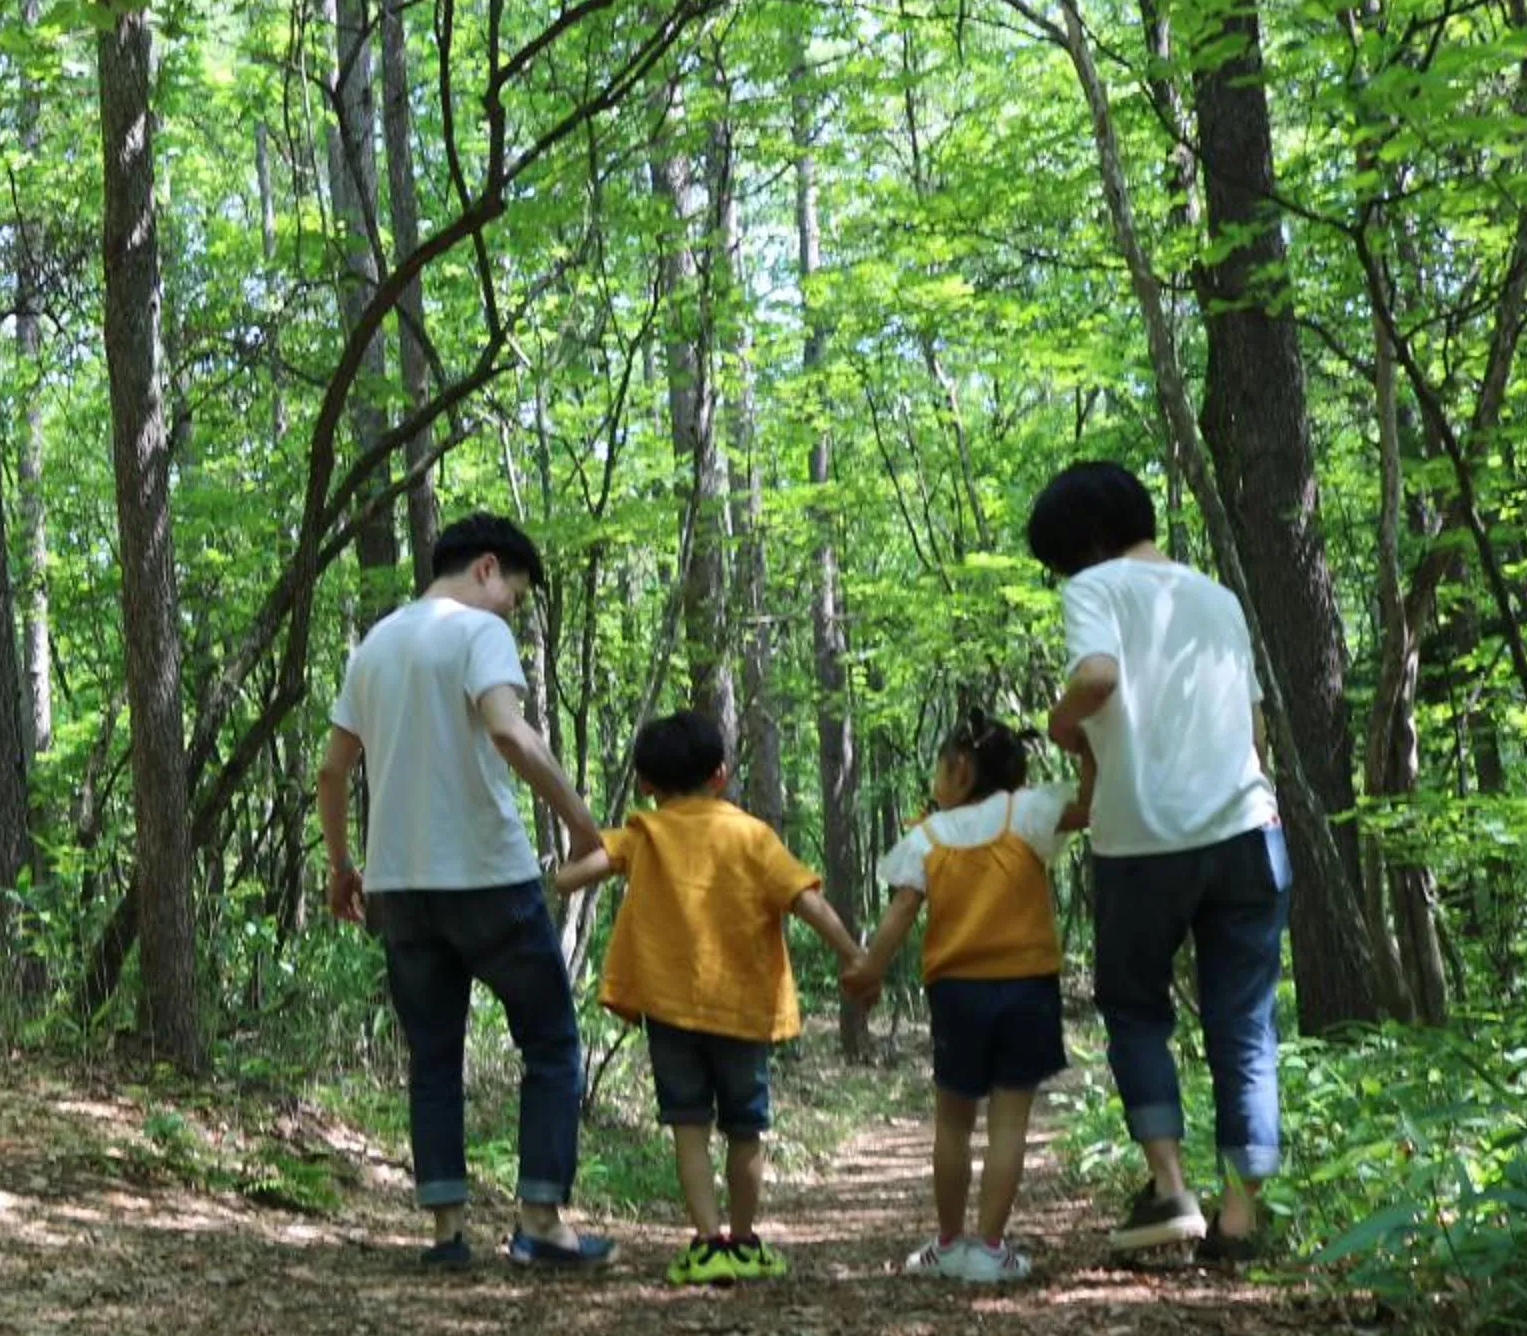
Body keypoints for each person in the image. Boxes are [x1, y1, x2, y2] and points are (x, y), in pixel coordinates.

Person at [317, 514, 618, 1271]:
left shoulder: (375, 645)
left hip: (399, 886)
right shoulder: (477, 633)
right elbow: (512, 735)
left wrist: (340, 865)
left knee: (434, 1056)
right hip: (486, 876)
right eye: (513, 596)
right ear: (488, 568)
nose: (509, 612)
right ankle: (540, 1222)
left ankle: (447, 1233)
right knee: (550, 1041)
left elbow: (331, 769)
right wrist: (585, 830)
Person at [1028, 460, 1291, 1264]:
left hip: (1145, 840)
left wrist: (1060, 721)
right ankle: (1241, 1223)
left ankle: (1173, 1191)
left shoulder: (1097, 588)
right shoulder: (1217, 598)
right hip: (1246, 830)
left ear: (1089, 543)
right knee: (1245, 1024)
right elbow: (1253, 730)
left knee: (1138, 1007)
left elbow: (1099, 676)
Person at [550, 710, 866, 1286]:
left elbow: (571, 879)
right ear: (719, 775)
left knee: (688, 1125)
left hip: (670, 1011)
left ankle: (704, 1242)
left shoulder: (644, 834)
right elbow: (805, 899)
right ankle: (744, 1244)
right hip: (742, 1009)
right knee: (746, 1127)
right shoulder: (752, 836)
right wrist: (852, 954)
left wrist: (570, 854)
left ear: (646, 783)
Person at [841, 713, 1092, 1282]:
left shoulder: (927, 838)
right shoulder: (1027, 812)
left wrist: (869, 972)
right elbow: (1091, 806)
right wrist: (1088, 746)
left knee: (952, 1123)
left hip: (956, 994)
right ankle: (992, 1248)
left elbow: (902, 911)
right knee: (1009, 1124)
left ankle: (950, 1242)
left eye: (939, 762)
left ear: (960, 769)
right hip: (1029, 985)